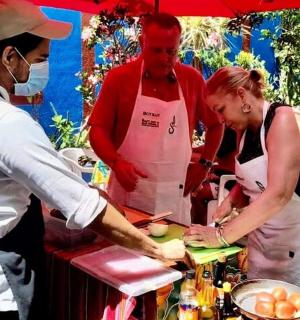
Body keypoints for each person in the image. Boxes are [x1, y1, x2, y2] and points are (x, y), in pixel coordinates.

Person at [0, 1, 185, 319]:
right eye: (40, 58)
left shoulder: (190, 79)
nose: (44, 67)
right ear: (9, 57)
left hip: (174, 196)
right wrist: (157, 250)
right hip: (8, 281)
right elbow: (84, 205)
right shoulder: (10, 124)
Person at [89, 13, 223, 225]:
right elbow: (97, 131)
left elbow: (216, 124)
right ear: (143, 42)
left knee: (173, 253)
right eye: (156, 50)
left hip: (175, 196)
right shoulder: (119, 78)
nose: (164, 58)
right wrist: (115, 162)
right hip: (129, 194)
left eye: (171, 51)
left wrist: (205, 165)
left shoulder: (191, 80)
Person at [184, 66, 300, 284]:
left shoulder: (282, 119)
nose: (219, 119)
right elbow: (252, 181)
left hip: (293, 251)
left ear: (241, 95)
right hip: (260, 248)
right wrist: (231, 200)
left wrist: (220, 236)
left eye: (221, 109)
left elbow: (278, 194)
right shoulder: (243, 131)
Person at [191, 127, 237, 225]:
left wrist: (188, 154)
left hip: (229, 181)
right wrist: (190, 150)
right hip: (219, 176)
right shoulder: (226, 129)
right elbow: (209, 147)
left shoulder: (231, 132)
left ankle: (200, 225)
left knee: (198, 192)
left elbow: (212, 155)